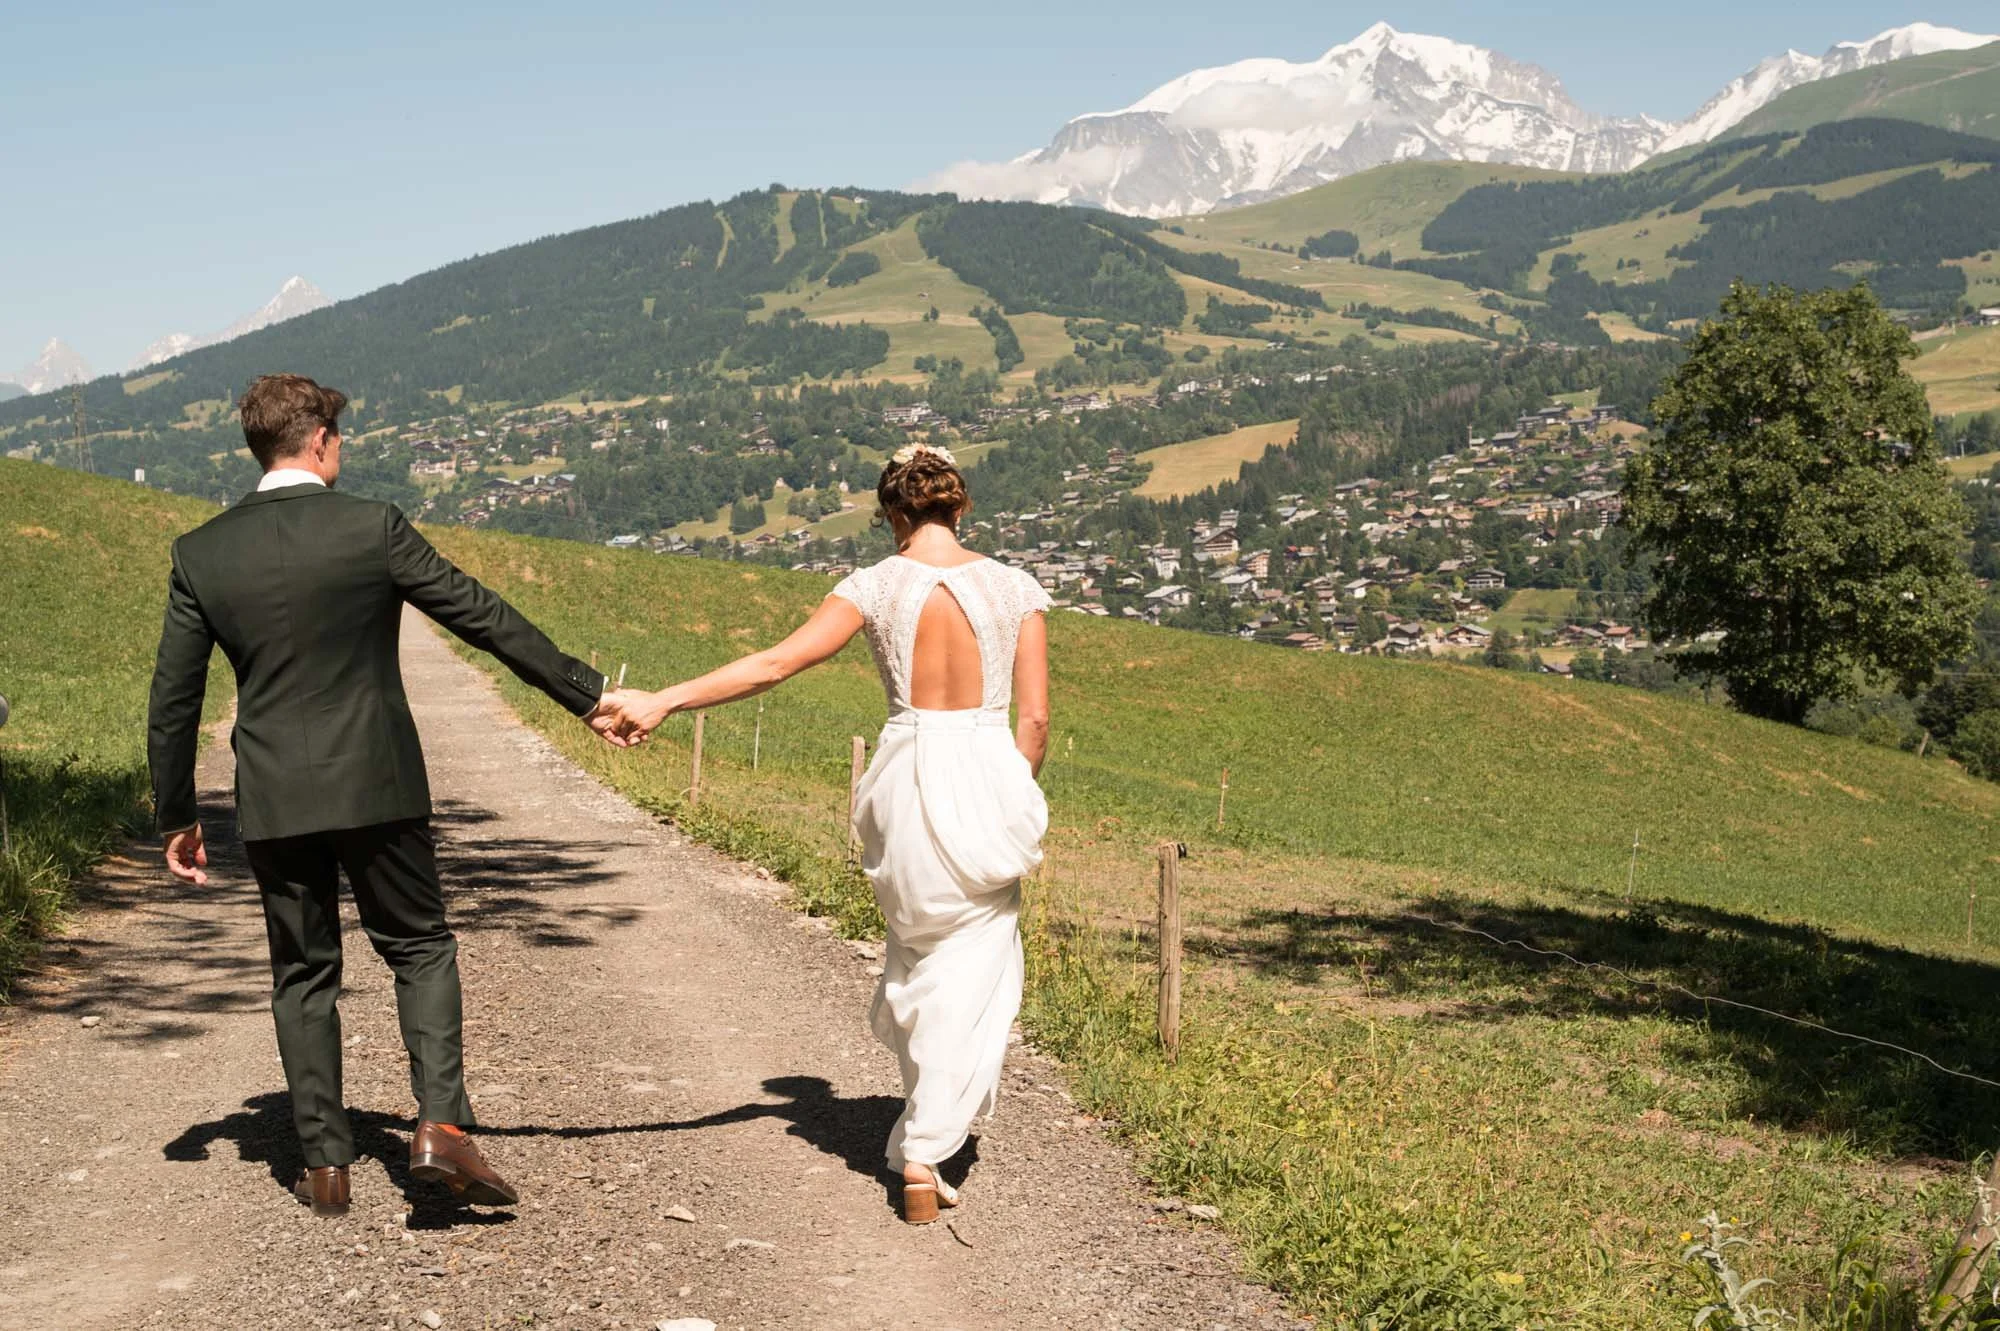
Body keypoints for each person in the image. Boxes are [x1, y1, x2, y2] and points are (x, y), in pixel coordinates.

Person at [146, 373, 641, 1218]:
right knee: (418, 947)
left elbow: (174, 694)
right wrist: (586, 694)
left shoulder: (202, 552)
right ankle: (441, 1126)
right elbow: (481, 614)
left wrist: (178, 812)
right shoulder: (371, 526)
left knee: (303, 972)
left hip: (272, 794)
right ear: (321, 440)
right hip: (379, 783)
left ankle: (327, 1166)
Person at [605, 441, 1050, 1223]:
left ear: (892, 513)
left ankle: (922, 1127)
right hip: (988, 769)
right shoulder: (1016, 588)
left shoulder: (874, 585)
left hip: (907, 773)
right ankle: (926, 1146)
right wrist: (1009, 791)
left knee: (919, 949)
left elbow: (775, 664)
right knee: (976, 962)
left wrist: (666, 698)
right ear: (960, 503)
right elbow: (1036, 718)